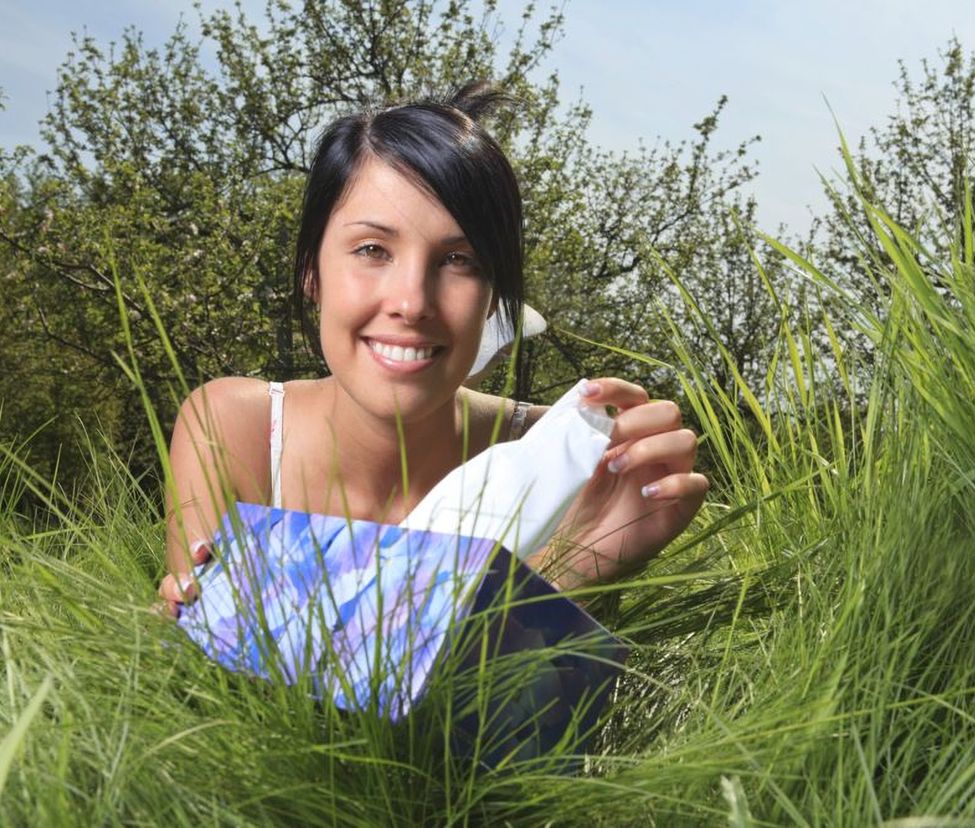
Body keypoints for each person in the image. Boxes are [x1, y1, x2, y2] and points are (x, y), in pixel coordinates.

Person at [158, 82, 709, 617]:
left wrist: (590, 555)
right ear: (312, 272)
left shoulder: (564, 457)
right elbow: (218, 672)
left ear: (494, 297)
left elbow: (550, 685)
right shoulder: (237, 430)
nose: (412, 302)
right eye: (372, 249)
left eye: (458, 260)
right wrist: (557, 574)